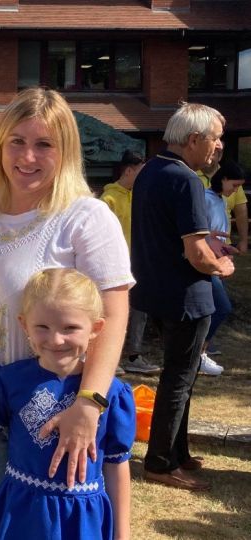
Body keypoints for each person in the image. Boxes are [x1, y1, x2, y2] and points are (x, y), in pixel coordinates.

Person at [0, 87, 133, 506]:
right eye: (16, 141)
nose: (27, 157)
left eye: (43, 144)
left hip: (57, 414)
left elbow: (114, 315)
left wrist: (89, 404)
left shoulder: (86, 217)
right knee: (2, 521)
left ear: (64, 151)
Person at [0, 268, 135, 540]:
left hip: (82, 518)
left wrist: (123, 534)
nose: (55, 339)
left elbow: (116, 464)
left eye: (70, 328)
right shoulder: (9, 379)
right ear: (24, 324)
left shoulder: (111, 394)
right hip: (21, 513)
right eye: (43, 327)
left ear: (95, 328)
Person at [131, 102, 234, 491]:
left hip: (155, 289)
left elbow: (173, 233)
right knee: (179, 378)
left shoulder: (150, 170)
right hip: (186, 295)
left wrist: (209, 248)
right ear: (193, 140)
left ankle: (177, 451)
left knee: (180, 375)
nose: (219, 147)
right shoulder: (187, 178)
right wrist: (221, 266)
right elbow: (197, 254)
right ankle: (160, 461)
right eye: (215, 138)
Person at [100, 150, 161, 376]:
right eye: (141, 173)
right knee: (110, 311)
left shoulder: (139, 196)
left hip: (139, 262)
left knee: (140, 310)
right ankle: (108, 357)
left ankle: (135, 356)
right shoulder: (108, 200)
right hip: (113, 266)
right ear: (128, 170)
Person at [195, 147, 248, 358]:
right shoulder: (205, 197)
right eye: (234, 185)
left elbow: (218, 233)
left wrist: (227, 248)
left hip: (219, 260)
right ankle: (199, 350)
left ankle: (201, 351)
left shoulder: (221, 200)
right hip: (207, 261)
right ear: (224, 179)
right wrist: (212, 246)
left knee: (211, 308)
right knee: (222, 307)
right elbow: (199, 232)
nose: (235, 190)